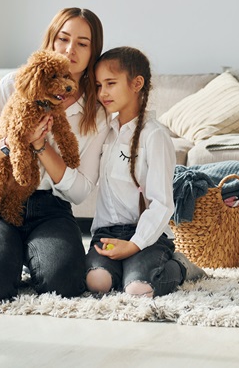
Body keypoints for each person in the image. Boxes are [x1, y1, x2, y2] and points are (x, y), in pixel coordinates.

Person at [0, 8, 110, 303]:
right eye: (63, 39)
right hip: (1, 197)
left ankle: (25, 253)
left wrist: (41, 147)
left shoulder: (96, 112)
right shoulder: (13, 84)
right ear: (51, 41)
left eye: (82, 43)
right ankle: (2, 250)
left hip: (51, 208)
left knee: (65, 284)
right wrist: (11, 143)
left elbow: (80, 191)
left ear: (93, 52)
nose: (70, 50)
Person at [86, 46, 206, 298]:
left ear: (137, 83)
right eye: (98, 85)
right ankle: (123, 269)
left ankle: (182, 266)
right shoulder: (104, 130)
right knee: (97, 282)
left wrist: (134, 245)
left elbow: (162, 203)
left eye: (110, 83)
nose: (102, 92)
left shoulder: (155, 136)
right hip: (108, 232)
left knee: (138, 289)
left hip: (146, 234)